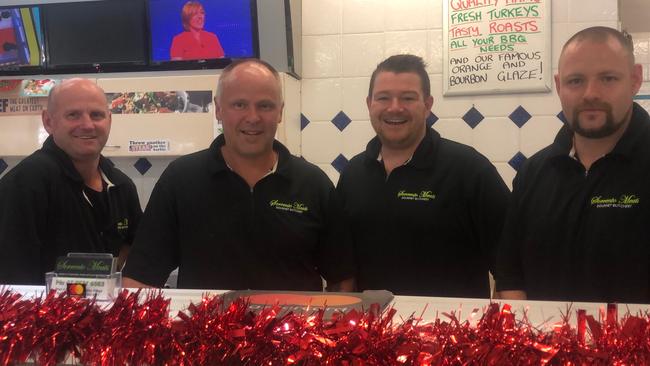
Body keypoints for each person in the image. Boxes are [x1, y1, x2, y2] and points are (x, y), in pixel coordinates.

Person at [122, 59, 355, 291]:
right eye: (239, 105)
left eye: (265, 105)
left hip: (292, 326)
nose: (252, 117)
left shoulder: (313, 183)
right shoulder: (180, 180)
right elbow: (140, 280)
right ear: (219, 109)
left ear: (280, 112)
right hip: (204, 327)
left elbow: (342, 279)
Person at [336, 54, 510, 297]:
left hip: (451, 331)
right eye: (383, 98)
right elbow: (343, 265)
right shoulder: (353, 174)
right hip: (370, 330)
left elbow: (510, 266)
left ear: (427, 105)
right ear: (369, 104)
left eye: (408, 98)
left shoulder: (470, 169)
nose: (394, 107)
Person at [495, 27, 648, 303]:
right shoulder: (532, 173)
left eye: (608, 78)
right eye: (576, 81)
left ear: (635, 79)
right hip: (541, 344)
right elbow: (510, 273)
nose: (591, 93)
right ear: (559, 85)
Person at [0, 78, 142, 285]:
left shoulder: (121, 186)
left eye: (96, 115)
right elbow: (11, 274)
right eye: (73, 115)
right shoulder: (26, 183)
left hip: (104, 312)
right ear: (49, 122)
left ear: (109, 120)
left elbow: (136, 243)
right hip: (41, 314)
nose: (87, 125)